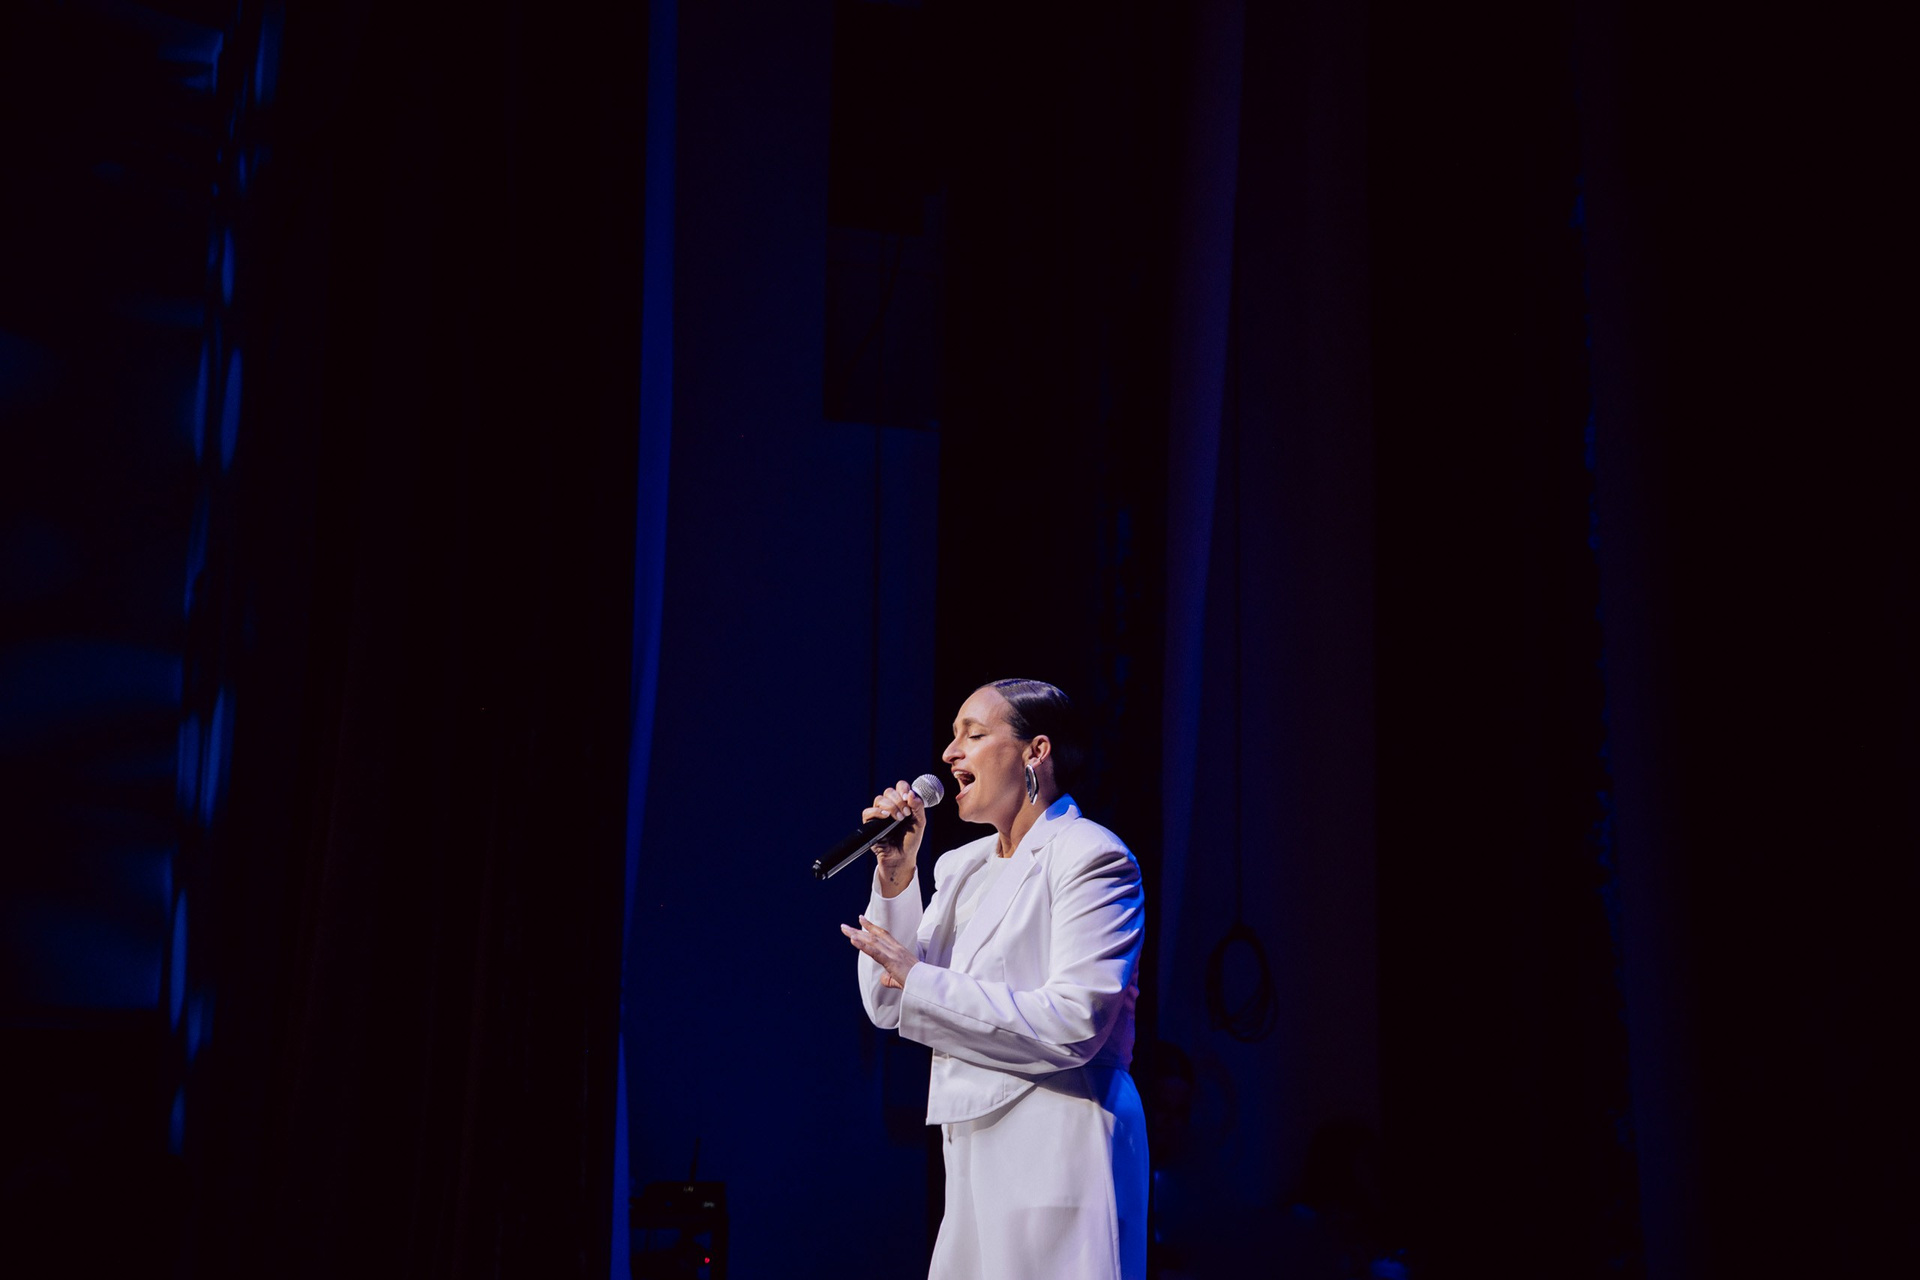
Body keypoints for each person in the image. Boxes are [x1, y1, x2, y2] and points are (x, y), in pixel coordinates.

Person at [841, 678, 1147, 1280]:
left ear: (1036, 752)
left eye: (974, 735)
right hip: (972, 1144)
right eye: (952, 736)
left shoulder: (1090, 855)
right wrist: (897, 875)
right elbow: (888, 1002)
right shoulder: (963, 868)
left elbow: (1075, 1022)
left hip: (1061, 1136)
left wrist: (919, 979)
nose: (949, 753)